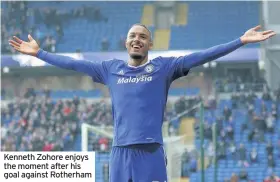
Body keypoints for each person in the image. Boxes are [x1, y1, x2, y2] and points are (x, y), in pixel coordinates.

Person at [9, 23, 276, 182]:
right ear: (126, 42)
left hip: (151, 154)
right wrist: (40, 53)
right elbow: (74, 64)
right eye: (133, 36)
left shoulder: (165, 68)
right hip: (120, 154)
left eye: (142, 36)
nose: (137, 39)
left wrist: (240, 41)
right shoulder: (110, 69)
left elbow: (201, 56)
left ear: (150, 43)